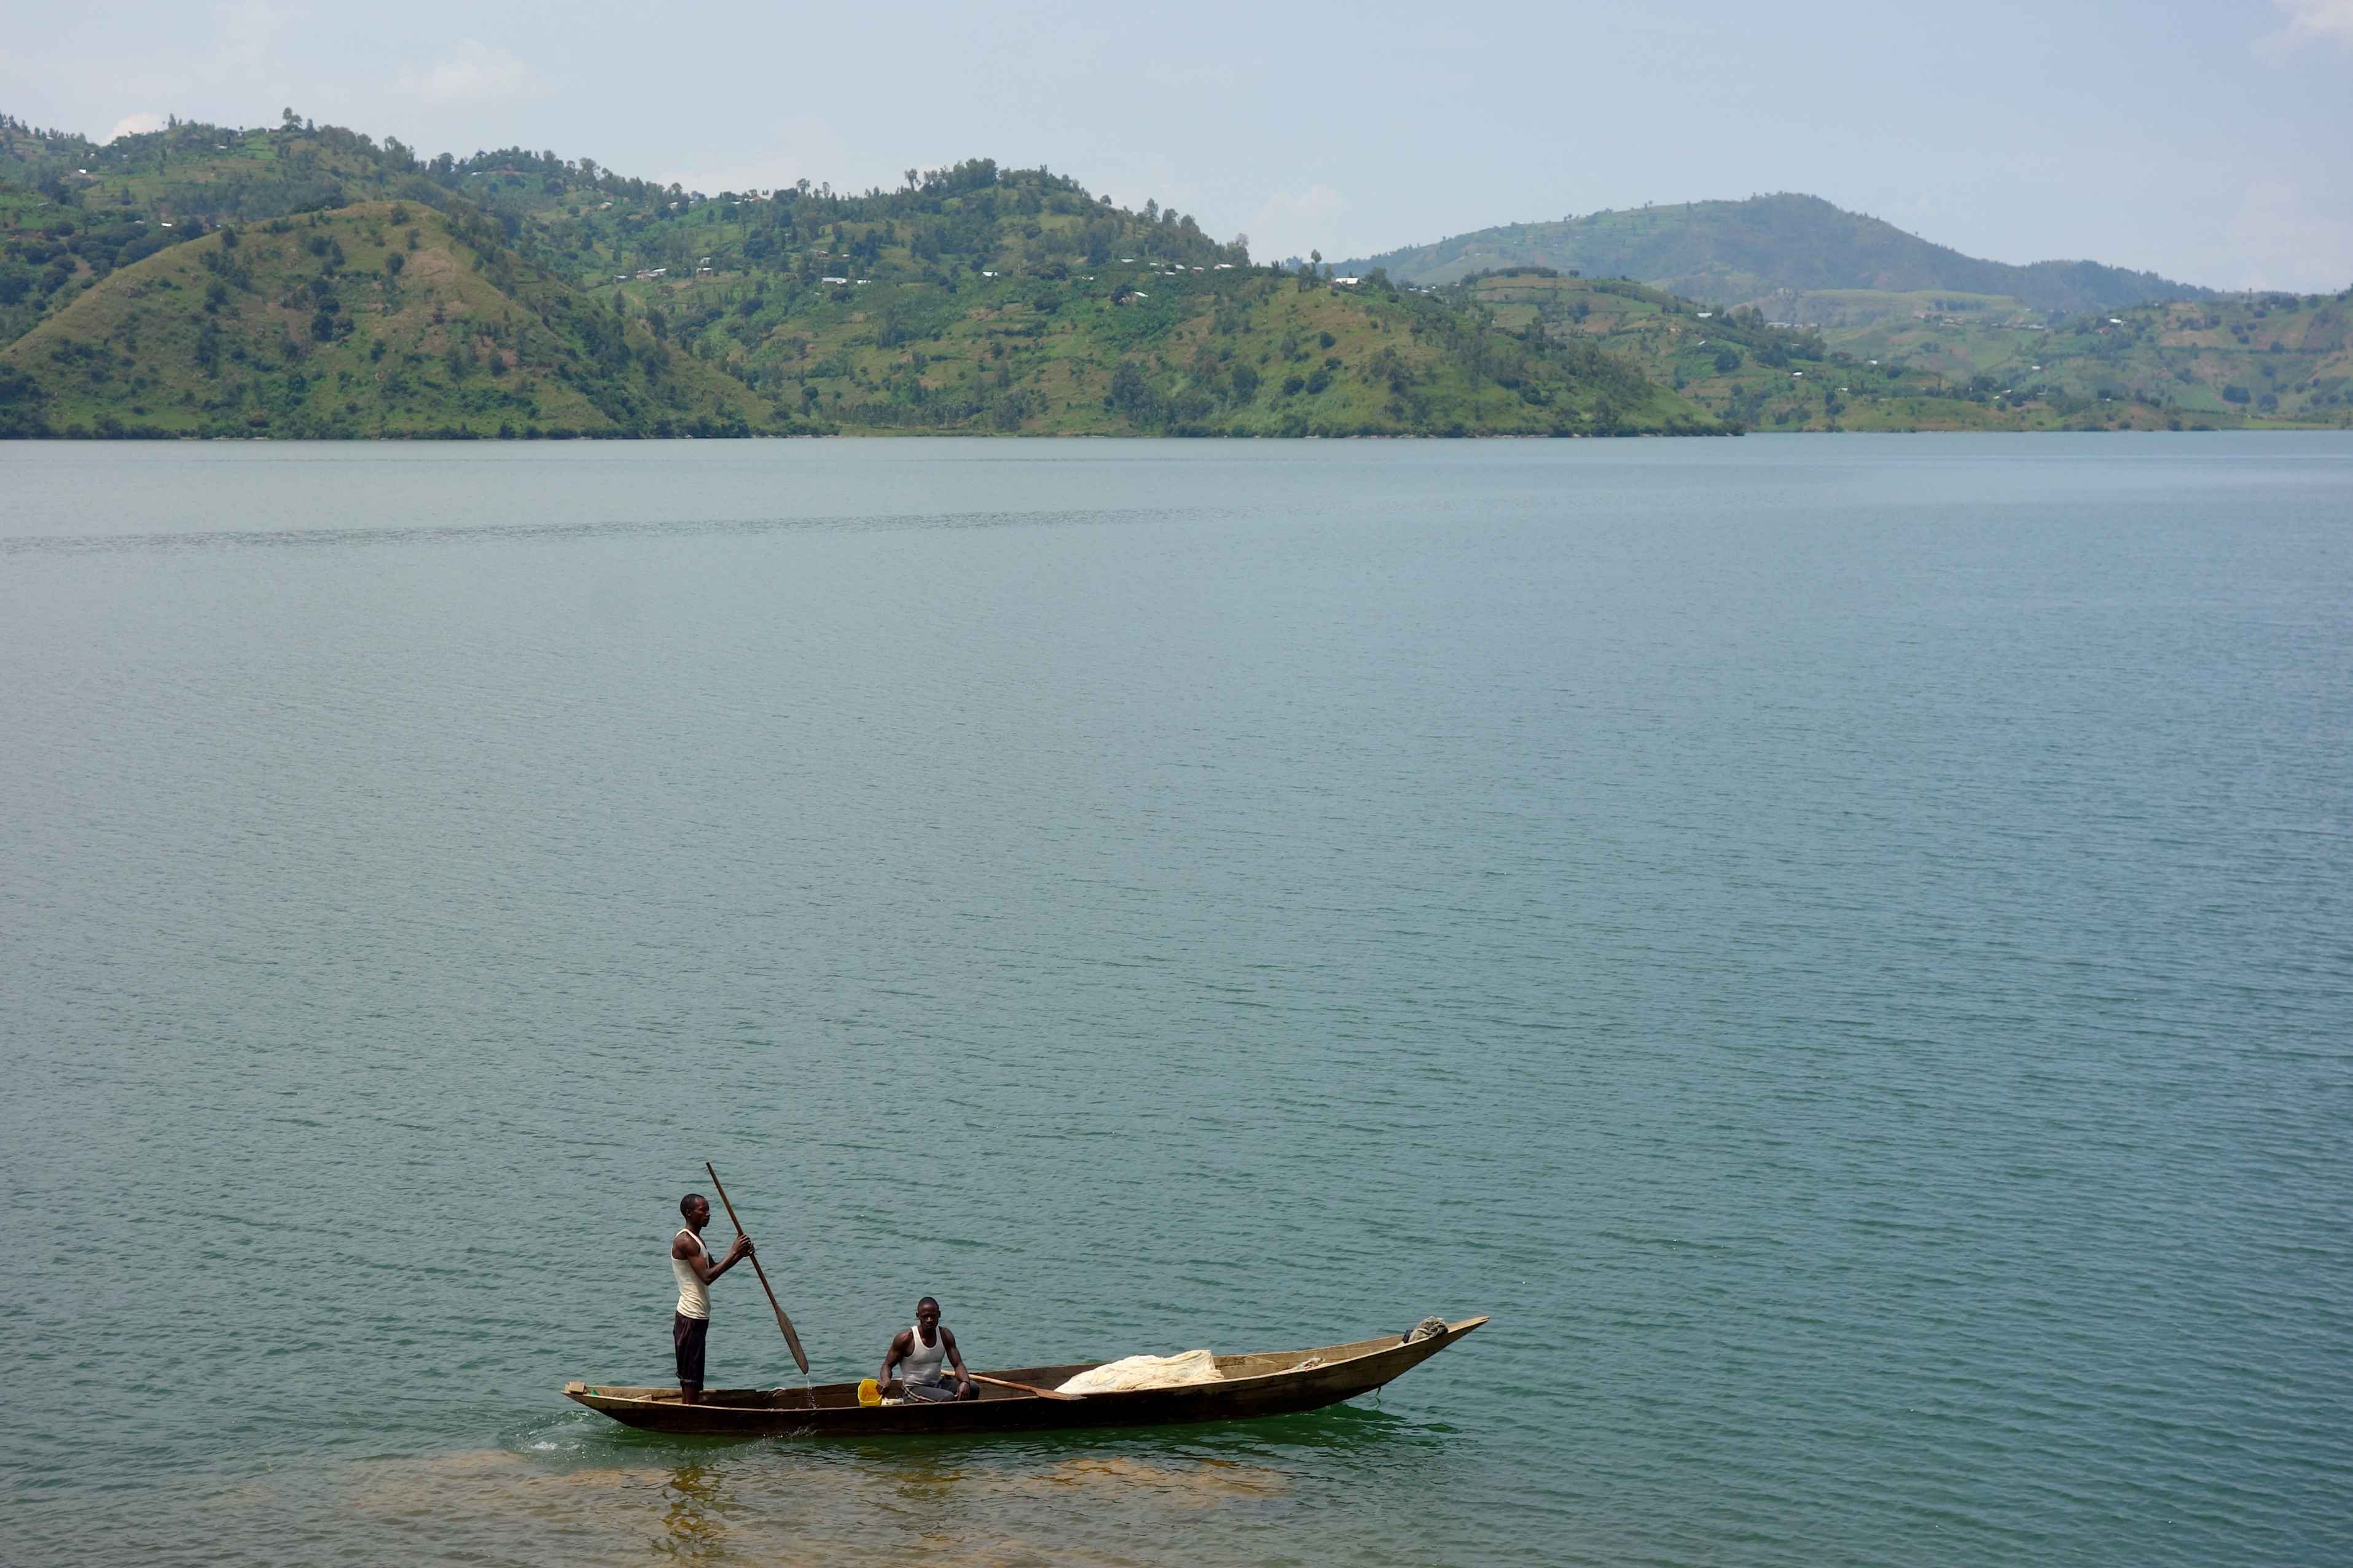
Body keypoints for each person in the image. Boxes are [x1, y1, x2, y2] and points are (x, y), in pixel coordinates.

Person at [670, 1193, 753, 1403]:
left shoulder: (697, 1239)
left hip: (699, 1315)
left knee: (696, 1374)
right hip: (690, 1316)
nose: (708, 1214)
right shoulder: (685, 1241)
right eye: (703, 1210)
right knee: (691, 1376)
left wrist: (739, 1255)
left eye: (708, 1210)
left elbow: (715, 1268)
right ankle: (689, 1413)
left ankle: (692, 1406)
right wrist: (733, 1250)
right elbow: (707, 1277)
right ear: (689, 1213)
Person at [879, 1297, 977, 1402]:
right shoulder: (906, 1339)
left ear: (939, 1315)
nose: (929, 1320)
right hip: (913, 1389)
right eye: (925, 1317)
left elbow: (958, 1364)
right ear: (918, 1316)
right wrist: (886, 1381)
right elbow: (887, 1365)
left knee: (973, 1388)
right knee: (947, 1398)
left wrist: (965, 1382)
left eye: (933, 1316)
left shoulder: (945, 1335)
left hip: (938, 1384)